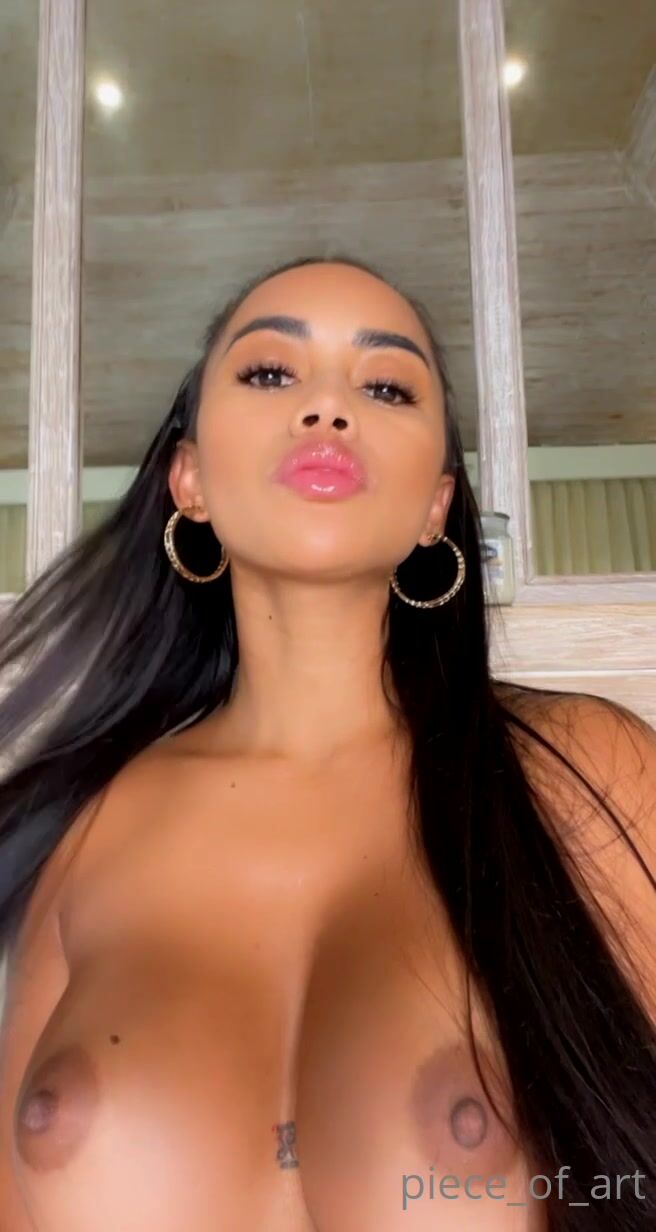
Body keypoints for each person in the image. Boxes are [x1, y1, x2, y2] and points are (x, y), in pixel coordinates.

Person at [0, 255, 654, 1231]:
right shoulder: (82, 828)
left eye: (385, 386)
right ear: (188, 478)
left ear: (436, 506)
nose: (328, 409)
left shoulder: (585, 774)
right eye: (270, 371)